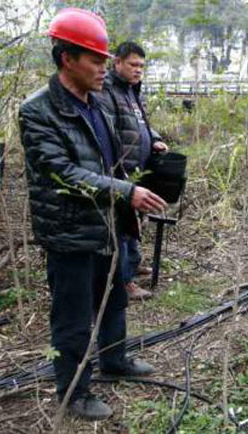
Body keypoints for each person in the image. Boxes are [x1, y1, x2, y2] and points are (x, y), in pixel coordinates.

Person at [19, 8, 168, 420]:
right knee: (73, 316)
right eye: (96, 60)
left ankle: (114, 360)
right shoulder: (38, 111)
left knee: (114, 298)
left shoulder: (97, 103)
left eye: (105, 59)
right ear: (68, 59)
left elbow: (110, 158)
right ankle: (75, 391)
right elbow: (63, 173)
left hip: (105, 225)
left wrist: (130, 197)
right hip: (69, 231)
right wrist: (126, 192)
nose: (105, 68)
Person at [99, 41, 169, 299]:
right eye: (133, 64)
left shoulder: (131, 91)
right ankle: (124, 282)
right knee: (124, 225)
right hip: (120, 171)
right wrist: (118, 169)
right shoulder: (107, 91)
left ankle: (133, 264)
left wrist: (155, 138)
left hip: (138, 168)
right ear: (117, 62)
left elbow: (139, 124)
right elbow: (108, 131)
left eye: (141, 65)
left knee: (137, 222)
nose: (138, 70)